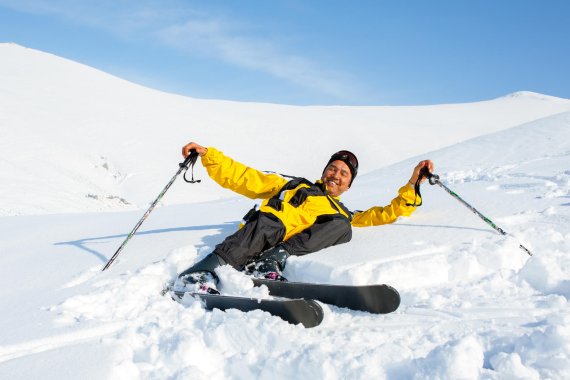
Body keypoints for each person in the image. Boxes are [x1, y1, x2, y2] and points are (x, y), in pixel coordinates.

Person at [175, 142, 434, 294]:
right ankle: (201, 272)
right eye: (332, 168)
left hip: (282, 248)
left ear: (349, 185)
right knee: (269, 221)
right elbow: (245, 177)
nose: (336, 174)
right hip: (262, 231)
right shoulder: (294, 186)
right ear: (324, 172)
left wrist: (413, 183)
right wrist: (209, 155)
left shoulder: (341, 212)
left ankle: (268, 264)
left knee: (343, 226)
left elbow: (386, 214)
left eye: (344, 173)